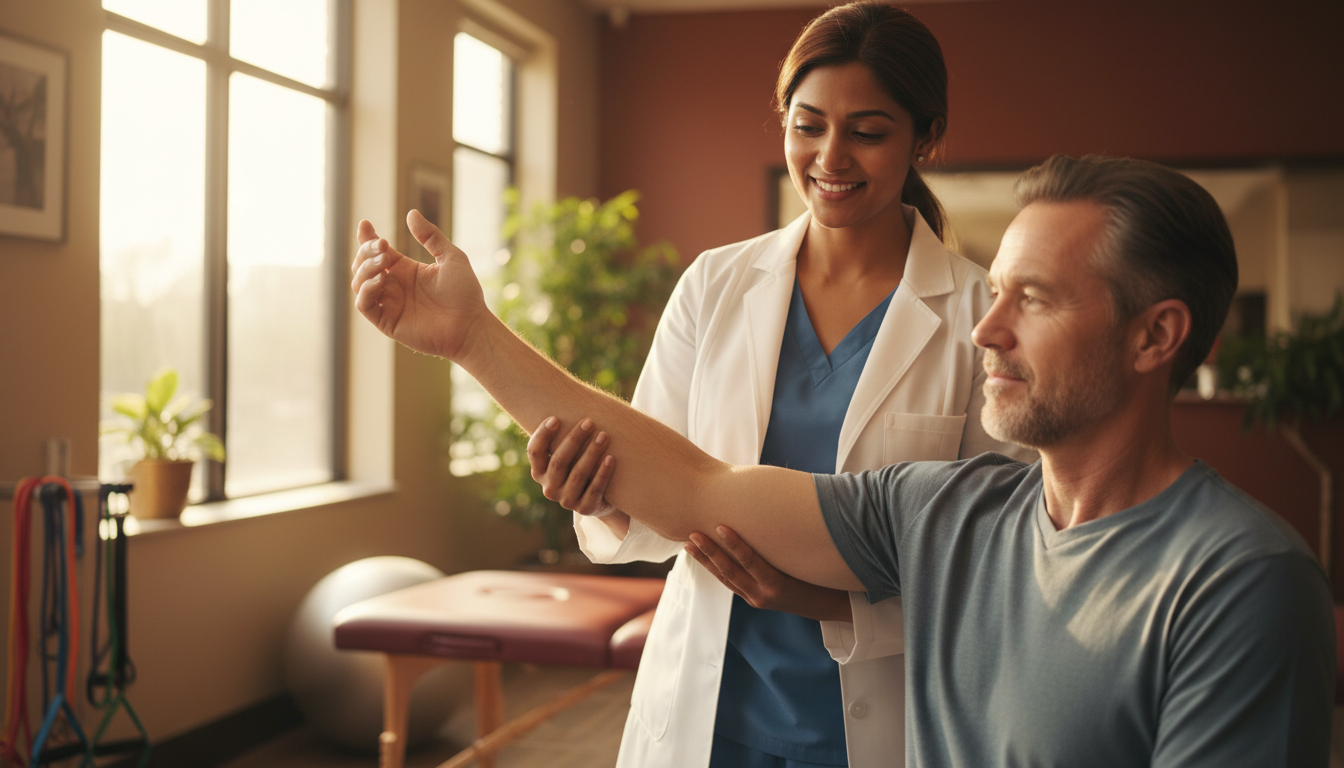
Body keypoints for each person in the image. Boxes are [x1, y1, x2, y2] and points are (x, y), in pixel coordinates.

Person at [350, 153, 1335, 767]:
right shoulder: (951, 514)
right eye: (992, 291)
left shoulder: (1239, 582)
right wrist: (472, 339)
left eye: (1031, 300)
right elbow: (696, 489)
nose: (984, 329)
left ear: (1155, 336)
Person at [531, 4, 1032, 767]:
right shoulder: (715, 284)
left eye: (867, 131)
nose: (831, 157)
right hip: (708, 709)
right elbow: (661, 508)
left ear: (924, 139)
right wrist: (601, 494)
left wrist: (823, 603)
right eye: (808, 125)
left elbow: (995, 563)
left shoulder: (976, 315)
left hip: (876, 723)